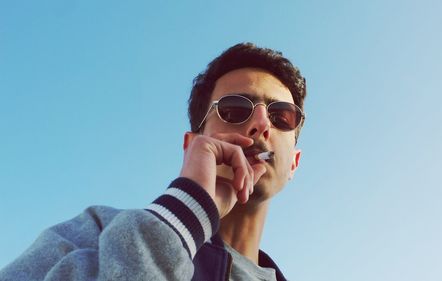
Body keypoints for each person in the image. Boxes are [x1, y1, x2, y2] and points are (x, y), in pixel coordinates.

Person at [0, 42, 307, 281]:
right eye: (235, 108)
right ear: (192, 145)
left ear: (293, 163)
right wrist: (186, 211)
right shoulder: (96, 232)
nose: (261, 124)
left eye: (282, 117)